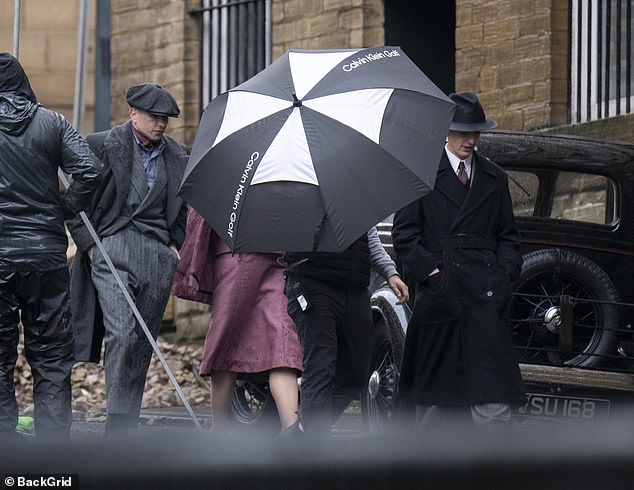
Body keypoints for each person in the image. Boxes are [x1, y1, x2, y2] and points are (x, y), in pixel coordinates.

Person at [391, 92, 526, 430]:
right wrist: (434, 275)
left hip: (485, 297)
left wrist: (504, 276)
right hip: (442, 299)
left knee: (493, 398)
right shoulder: (420, 174)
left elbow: (509, 237)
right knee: (438, 400)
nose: (470, 140)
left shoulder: (494, 178)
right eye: (462, 131)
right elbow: (405, 236)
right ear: (446, 132)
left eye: (475, 132)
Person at [67, 83, 189, 435]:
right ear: (133, 113)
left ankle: (127, 423)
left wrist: (174, 245)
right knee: (121, 333)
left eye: (165, 118)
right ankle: (117, 423)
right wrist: (91, 246)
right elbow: (74, 202)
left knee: (142, 340)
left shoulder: (177, 156)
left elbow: (182, 208)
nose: (161, 124)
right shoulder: (102, 145)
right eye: (154, 117)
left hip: (157, 256)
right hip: (112, 249)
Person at [0, 53, 102, 441]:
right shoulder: (52, 122)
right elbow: (90, 170)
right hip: (45, 255)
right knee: (52, 360)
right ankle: (55, 456)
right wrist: (62, 207)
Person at [172, 209, 303, 436]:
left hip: (237, 249)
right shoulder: (288, 172)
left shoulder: (225, 173)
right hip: (279, 251)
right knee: (281, 339)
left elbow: (207, 204)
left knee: (227, 338)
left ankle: (219, 430)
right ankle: (290, 428)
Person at [283, 227, 409, 438]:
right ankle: (314, 447)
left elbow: (369, 235)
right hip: (312, 282)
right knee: (320, 367)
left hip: (354, 286)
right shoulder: (297, 195)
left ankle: (305, 431)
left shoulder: (353, 197)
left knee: (357, 374)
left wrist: (390, 272)